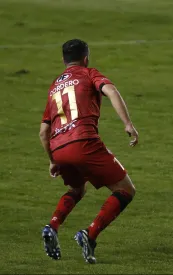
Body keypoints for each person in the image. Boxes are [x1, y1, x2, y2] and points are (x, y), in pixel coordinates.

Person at [39, 39, 139, 264]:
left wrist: (53, 160)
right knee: (126, 190)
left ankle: (52, 226)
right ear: (86, 58)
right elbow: (111, 91)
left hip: (59, 147)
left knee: (77, 188)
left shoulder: (55, 85)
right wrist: (127, 124)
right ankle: (89, 235)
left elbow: (43, 132)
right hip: (84, 142)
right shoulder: (89, 73)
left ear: (64, 60)